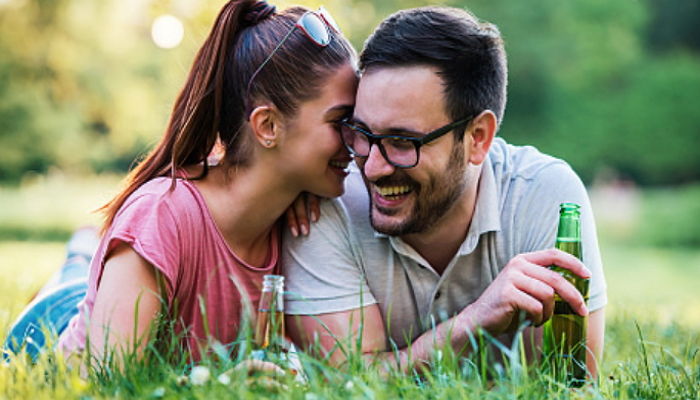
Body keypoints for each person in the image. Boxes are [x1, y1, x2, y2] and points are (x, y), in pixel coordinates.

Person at [3, 0, 357, 364]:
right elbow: (106, 377)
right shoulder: (162, 215)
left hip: (114, 295)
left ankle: (82, 254)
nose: (358, 138)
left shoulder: (302, 214)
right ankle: (79, 252)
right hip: (45, 335)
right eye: (340, 121)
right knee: (74, 279)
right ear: (267, 126)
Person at [283, 6, 607, 379]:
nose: (372, 167)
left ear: (477, 138)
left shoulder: (544, 195)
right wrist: (473, 321)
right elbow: (346, 383)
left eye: (402, 141)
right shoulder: (325, 203)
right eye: (362, 133)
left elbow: (565, 382)